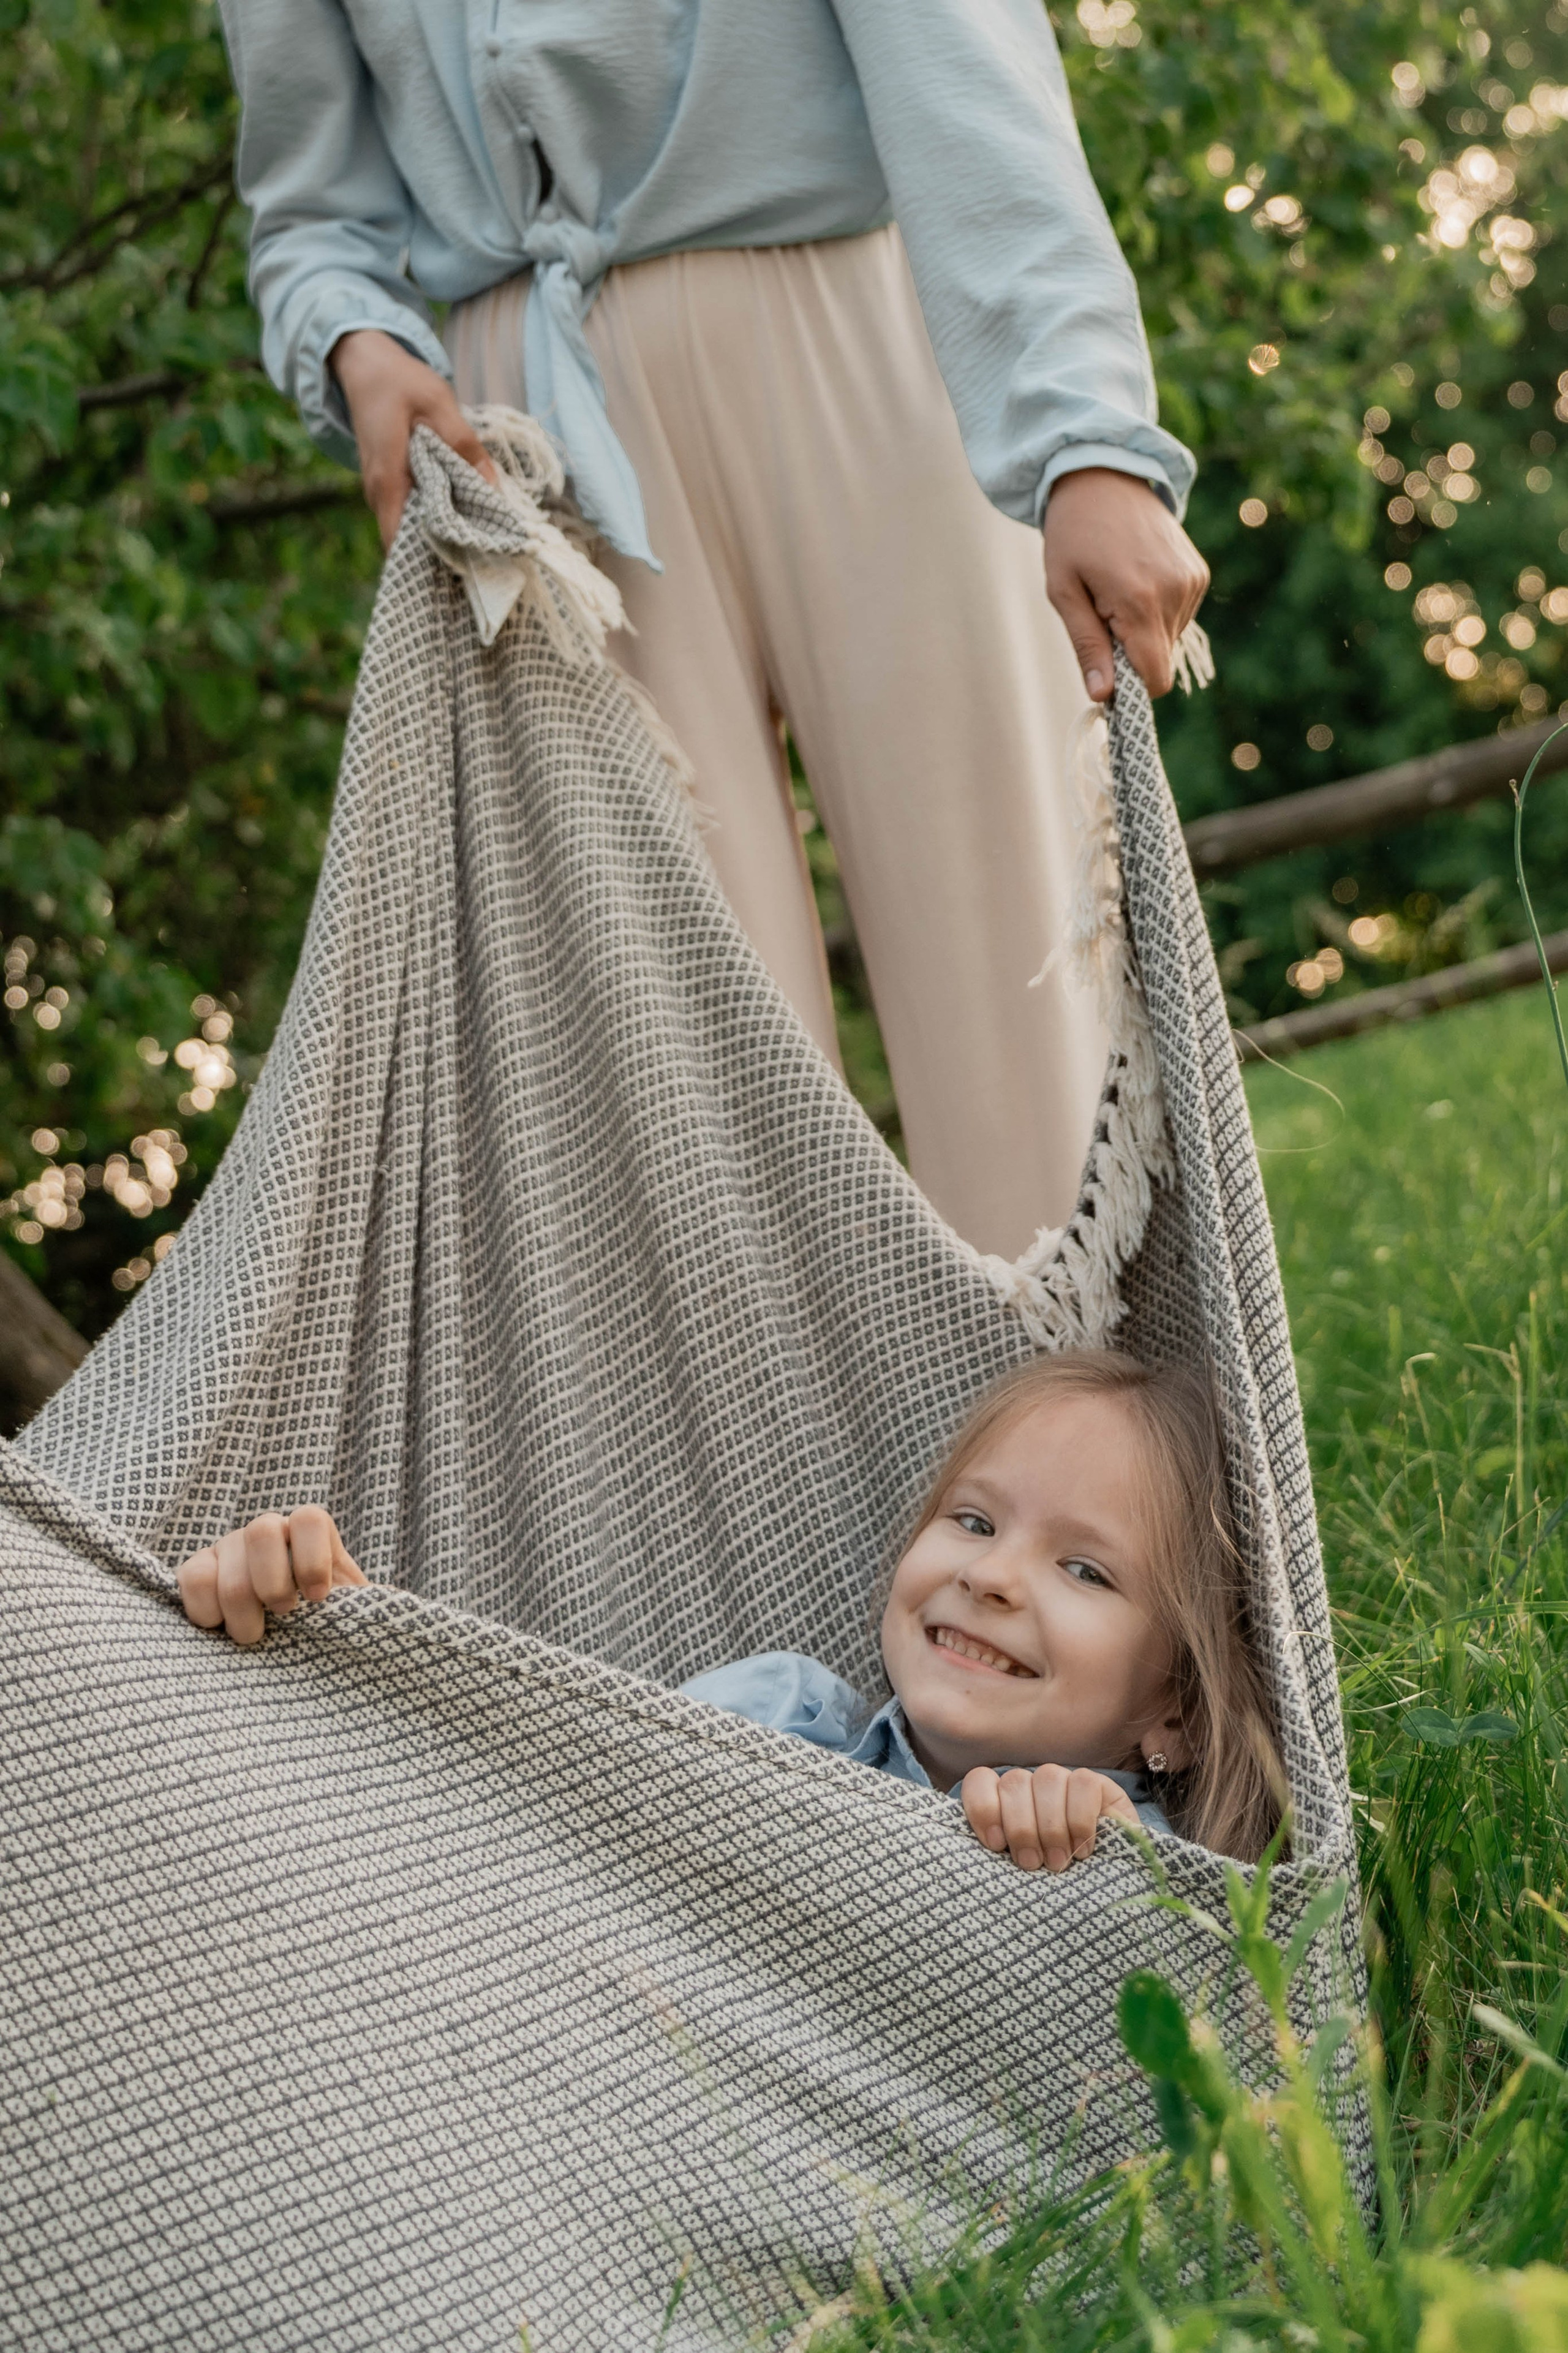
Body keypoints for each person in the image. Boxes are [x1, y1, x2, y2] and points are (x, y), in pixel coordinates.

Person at [216, 0, 1210, 1258]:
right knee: (682, 1075)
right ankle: (806, 1400)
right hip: (528, 446)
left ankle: (1084, 1389)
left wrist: (1083, 435)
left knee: (1027, 990)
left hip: (857, 326)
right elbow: (308, 210)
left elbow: (958, 52)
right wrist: (355, 340)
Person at [175, 1350, 1284, 1867]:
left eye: (1085, 1571)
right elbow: (543, 1807)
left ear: (1177, 1711)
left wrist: (1103, 1869)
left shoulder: (1149, 1866)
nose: (993, 1577)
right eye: (974, 1519)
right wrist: (359, 1639)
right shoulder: (780, 1714)